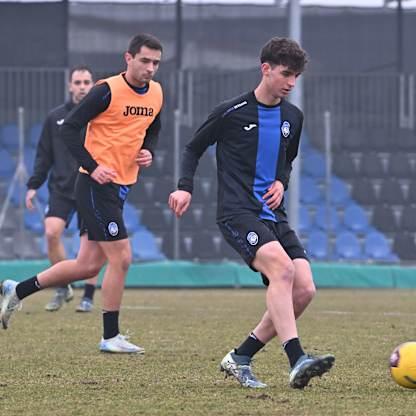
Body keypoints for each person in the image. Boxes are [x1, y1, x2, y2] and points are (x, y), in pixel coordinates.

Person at [169, 37, 334, 389]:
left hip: (273, 215)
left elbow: (286, 163)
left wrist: (280, 182)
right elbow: (192, 148)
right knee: (283, 270)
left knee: (304, 289)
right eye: (286, 74)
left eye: (296, 77)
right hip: (237, 212)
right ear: (266, 69)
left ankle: (241, 356)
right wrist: (185, 186)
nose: (291, 83)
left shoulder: (294, 116)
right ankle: (297, 359)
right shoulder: (230, 112)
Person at [0, 33, 164, 354]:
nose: (150, 68)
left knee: (87, 265)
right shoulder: (106, 90)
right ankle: (110, 336)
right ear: (128, 58)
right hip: (94, 185)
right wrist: (93, 165)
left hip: (120, 186)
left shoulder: (156, 92)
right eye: (144, 60)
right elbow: (68, 128)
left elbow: (154, 126)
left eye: (156, 63)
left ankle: (16, 289)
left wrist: (149, 150)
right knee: (122, 258)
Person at [26, 65, 98, 313]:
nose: (82, 87)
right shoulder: (55, 117)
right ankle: (62, 284)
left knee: (89, 244)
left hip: (92, 187)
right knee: (51, 233)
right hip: (62, 189)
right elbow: (43, 154)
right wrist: (34, 184)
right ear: (70, 86)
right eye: (77, 82)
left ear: (93, 84)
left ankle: (88, 296)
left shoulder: (100, 116)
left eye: (86, 82)